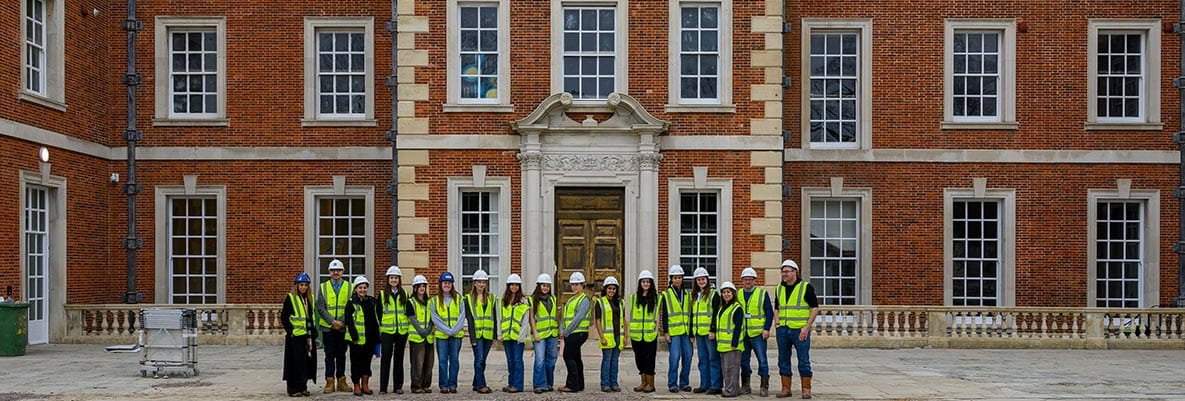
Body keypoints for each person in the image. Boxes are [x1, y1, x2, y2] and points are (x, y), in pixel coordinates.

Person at [775, 260, 820, 399]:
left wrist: (806, 328)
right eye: (783, 271)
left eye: (787, 271)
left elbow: (815, 308)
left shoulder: (805, 287)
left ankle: (806, 389)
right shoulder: (779, 288)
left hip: (800, 331)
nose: (784, 274)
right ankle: (785, 388)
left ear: (795, 272)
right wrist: (777, 323)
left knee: (803, 360)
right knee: (783, 359)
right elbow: (777, 307)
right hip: (783, 330)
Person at [315, 259, 353, 394]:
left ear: (343, 272)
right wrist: (332, 321)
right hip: (328, 328)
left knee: (342, 355)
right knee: (329, 355)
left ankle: (341, 381)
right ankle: (329, 381)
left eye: (338, 270)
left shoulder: (350, 287)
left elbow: (351, 307)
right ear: (329, 272)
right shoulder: (323, 287)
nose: (335, 273)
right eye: (333, 270)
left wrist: (341, 322)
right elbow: (321, 307)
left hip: (343, 327)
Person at [739, 267, 775, 396]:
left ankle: (764, 386)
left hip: (758, 333)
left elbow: (769, 312)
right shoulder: (738, 294)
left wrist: (766, 329)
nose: (747, 282)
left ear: (755, 281)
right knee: (744, 361)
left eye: (750, 279)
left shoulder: (762, 294)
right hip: (743, 334)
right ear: (742, 281)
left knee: (762, 360)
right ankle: (745, 385)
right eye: (745, 279)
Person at [430, 272, 466, 394]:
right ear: (440, 284)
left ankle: (453, 384)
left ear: (452, 284)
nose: (447, 285)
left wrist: (454, 330)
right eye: (445, 283)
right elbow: (435, 318)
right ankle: (444, 385)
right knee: (443, 361)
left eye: (449, 283)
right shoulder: (434, 300)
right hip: (442, 336)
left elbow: (462, 316)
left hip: (456, 335)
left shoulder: (459, 298)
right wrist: (447, 330)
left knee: (455, 360)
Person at [282, 272, 317, 397]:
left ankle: (303, 387)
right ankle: (293, 389)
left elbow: (310, 317)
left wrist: (313, 331)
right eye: (301, 285)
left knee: (306, 362)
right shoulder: (291, 298)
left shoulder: (309, 298)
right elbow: (284, 317)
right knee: (294, 363)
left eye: (305, 285)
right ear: (296, 285)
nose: (303, 287)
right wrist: (290, 332)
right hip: (295, 337)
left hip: (306, 336)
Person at [659, 264, 693, 393]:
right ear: (671, 279)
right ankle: (672, 383)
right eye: (675, 277)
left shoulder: (687, 294)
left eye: (679, 277)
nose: (677, 280)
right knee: (674, 358)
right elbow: (665, 315)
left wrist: (691, 333)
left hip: (685, 332)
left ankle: (684, 383)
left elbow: (690, 314)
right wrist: (665, 332)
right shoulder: (666, 294)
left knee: (688, 356)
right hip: (673, 333)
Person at [343, 275, 379, 396]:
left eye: (364, 287)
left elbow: (375, 319)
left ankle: (365, 385)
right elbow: (349, 321)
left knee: (367, 363)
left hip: (369, 338)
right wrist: (354, 337)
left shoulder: (371, 301)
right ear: (356, 289)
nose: (362, 290)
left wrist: (376, 337)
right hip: (356, 340)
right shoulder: (351, 303)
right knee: (356, 363)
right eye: (360, 288)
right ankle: (356, 386)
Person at [377, 266, 410, 394]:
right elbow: (378, 313)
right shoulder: (381, 294)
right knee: (385, 359)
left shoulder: (404, 294)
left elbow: (407, 312)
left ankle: (398, 386)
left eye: (396, 278)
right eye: (391, 278)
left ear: (399, 279)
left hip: (401, 331)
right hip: (387, 332)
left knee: (399, 359)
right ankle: (383, 388)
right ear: (388, 279)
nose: (394, 280)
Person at [557, 272, 591, 393]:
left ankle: (572, 385)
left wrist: (566, 332)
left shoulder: (584, 300)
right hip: (571, 333)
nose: (574, 287)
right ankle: (579, 384)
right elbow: (564, 317)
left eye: (577, 284)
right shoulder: (571, 300)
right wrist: (562, 329)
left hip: (578, 333)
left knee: (568, 356)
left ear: (583, 286)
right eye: (573, 284)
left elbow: (578, 318)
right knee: (576, 358)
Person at [690, 267, 722, 394]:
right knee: (702, 360)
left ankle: (715, 385)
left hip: (709, 333)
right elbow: (693, 315)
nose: (701, 281)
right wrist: (691, 333)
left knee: (713, 359)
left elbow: (716, 314)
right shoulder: (695, 296)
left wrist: (713, 330)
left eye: (703, 279)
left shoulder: (714, 294)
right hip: (699, 332)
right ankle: (704, 384)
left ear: (707, 280)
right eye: (698, 279)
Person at [464, 270, 496, 393]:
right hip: (476, 335)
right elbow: (470, 320)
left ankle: (476, 383)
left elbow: (494, 317)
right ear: (474, 283)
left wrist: (494, 336)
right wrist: (472, 338)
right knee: (479, 359)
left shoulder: (491, 298)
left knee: (483, 360)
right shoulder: (468, 299)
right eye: (479, 282)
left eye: (483, 282)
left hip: (487, 334)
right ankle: (482, 385)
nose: (481, 284)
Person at [499, 274, 531, 393]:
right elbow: (500, 318)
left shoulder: (524, 301)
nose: (514, 287)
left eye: (516, 285)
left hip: (518, 337)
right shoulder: (503, 301)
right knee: (510, 361)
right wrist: (499, 334)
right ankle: (511, 383)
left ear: (519, 286)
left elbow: (525, 321)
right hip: (507, 336)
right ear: (508, 286)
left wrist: (521, 336)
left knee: (518, 361)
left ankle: (518, 385)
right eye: (512, 285)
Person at [713, 282, 745, 398]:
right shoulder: (722, 308)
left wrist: (734, 342)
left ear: (733, 293)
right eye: (724, 292)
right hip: (723, 345)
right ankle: (729, 388)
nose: (726, 294)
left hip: (733, 346)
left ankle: (732, 391)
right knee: (726, 370)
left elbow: (738, 326)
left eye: (728, 292)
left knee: (732, 369)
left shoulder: (737, 308)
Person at [594, 276, 625, 392]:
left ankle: (614, 383)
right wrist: (601, 336)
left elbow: (623, 319)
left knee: (615, 360)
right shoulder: (600, 302)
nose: (611, 291)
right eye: (609, 288)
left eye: (614, 289)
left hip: (618, 335)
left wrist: (625, 336)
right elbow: (597, 320)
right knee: (607, 360)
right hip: (607, 336)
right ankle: (605, 384)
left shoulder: (620, 302)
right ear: (605, 289)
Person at [629, 270, 658, 393]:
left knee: (649, 359)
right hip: (636, 335)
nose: (645, 284)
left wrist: (656, 330)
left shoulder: (657, 298)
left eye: (648, 282)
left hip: (650, 335)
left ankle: (650, 384)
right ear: (640, 283)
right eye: (643, 282)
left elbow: (657, 317)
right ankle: (643, 382)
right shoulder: (634, 298)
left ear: (651, 284)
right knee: (639, 359)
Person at [529, 273, 559, 394]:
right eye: (543, 285)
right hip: (540, 335)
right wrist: (535, 333)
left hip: (552, 333)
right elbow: (531, 318)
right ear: (539, 286)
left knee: (551, 359)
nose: (545, 288)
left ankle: (549, 383)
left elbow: (556, 316)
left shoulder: (553, 299)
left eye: (547, 286)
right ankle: (539, 385)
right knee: (540, 359)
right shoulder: (532, 300)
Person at [407, 275, 436, 394]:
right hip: (417, 337)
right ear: (415, 288)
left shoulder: (430, 302)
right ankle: (416, 386)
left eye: (424, 286)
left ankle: (426, 385)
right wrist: (421, 330)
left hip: (428, 337)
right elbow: (412, 318)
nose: (422, 288)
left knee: (429, 363)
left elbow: (432, 318)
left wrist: (428, 329)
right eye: (420, 286)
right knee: (417, 363)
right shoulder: (411, 302)